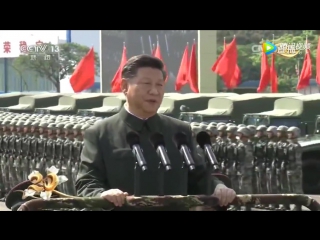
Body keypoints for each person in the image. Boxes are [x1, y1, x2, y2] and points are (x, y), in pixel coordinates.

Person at [76, 55, 236, 210]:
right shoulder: (100, 133)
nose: (154, 91)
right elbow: (87, 181)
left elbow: (198, 175)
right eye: (146, 84)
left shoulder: (179, 131)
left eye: (160, 85)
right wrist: (103, 194)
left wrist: (218, 187)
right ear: (124, 87)